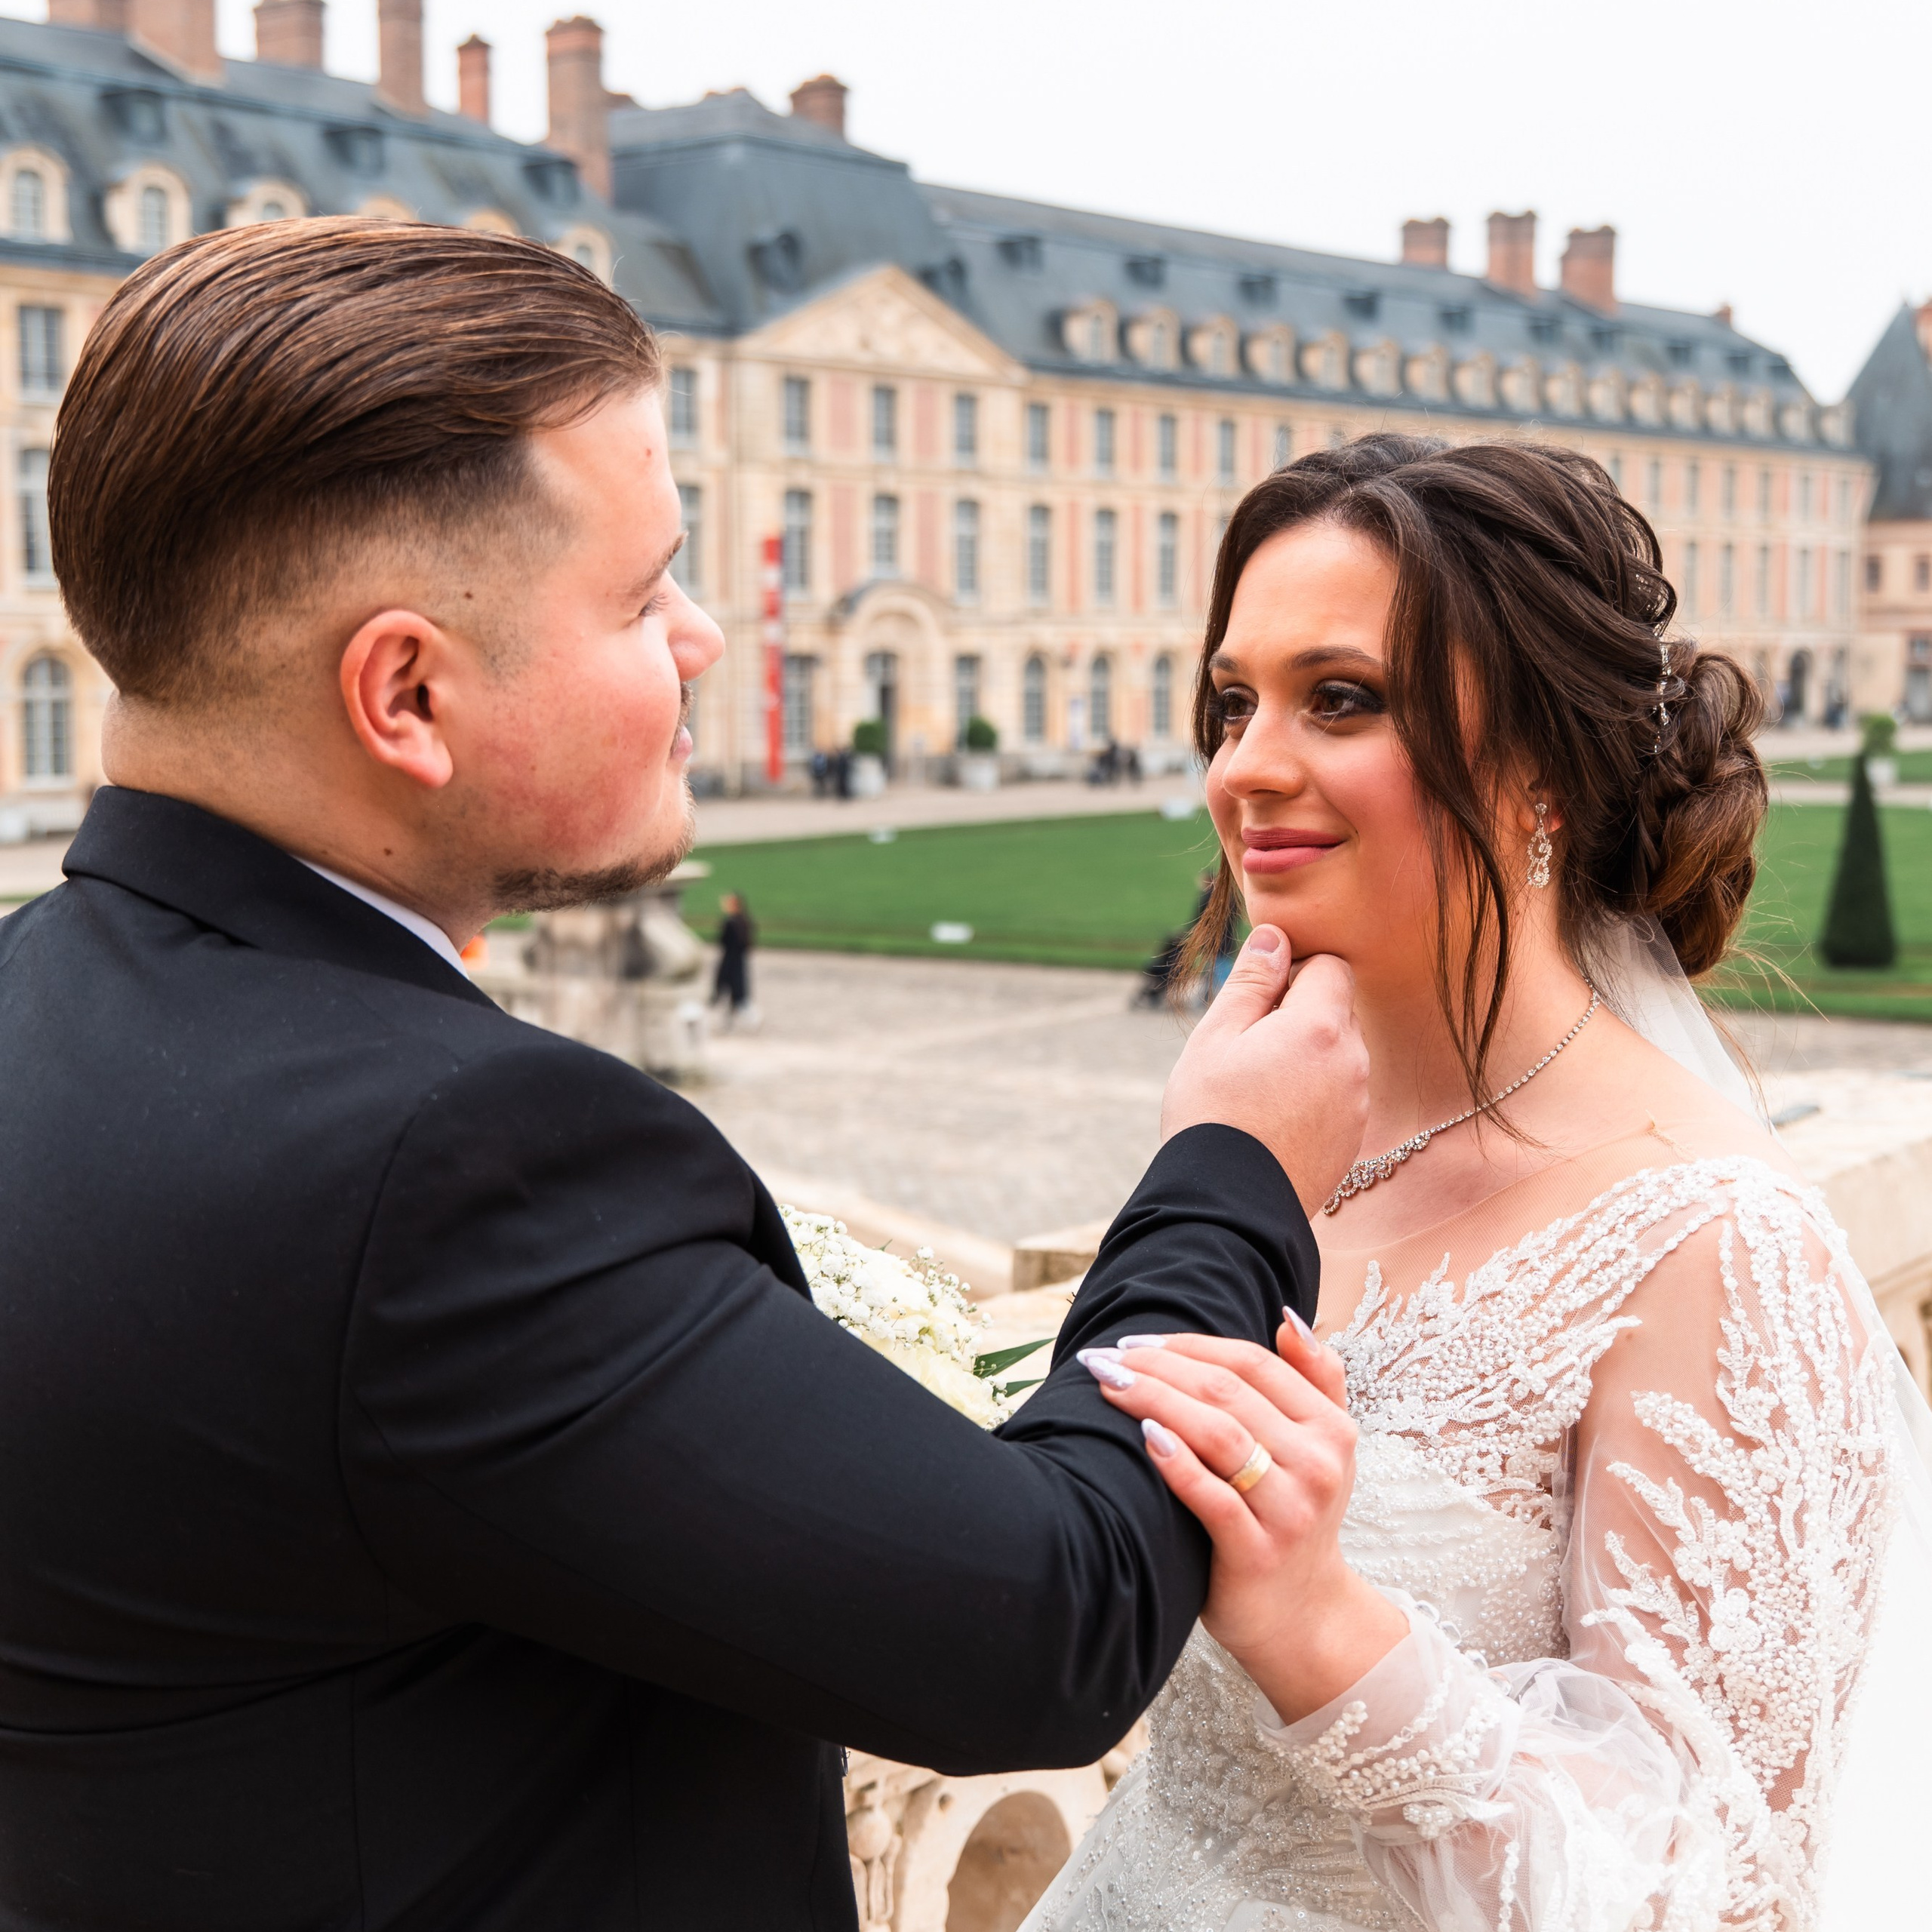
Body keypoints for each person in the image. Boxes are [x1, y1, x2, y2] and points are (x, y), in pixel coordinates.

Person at [0, 219, 1373, 1932]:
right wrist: (1231, 1169)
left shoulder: (35, 998)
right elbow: (1050, 1622)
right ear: (405, 691)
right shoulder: (446, 1162)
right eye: (642, 594)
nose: (704, 637)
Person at [1026, 435, 1931, 1931]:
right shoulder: (1262, 1138)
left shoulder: (1712, 1239)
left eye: (1340, 698)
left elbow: (1719, 1893)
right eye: (1233, 702)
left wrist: (1323, 1625)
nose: (1244, 766)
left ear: (1541, 773)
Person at [711, 890, 758, 1027]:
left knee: (732, 993)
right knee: (737, 993)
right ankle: (732, 1021)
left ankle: (746, 1020)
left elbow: (723, 941)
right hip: (738, 961)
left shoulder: (732, 922)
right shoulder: (744, 920)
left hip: (731, 961)